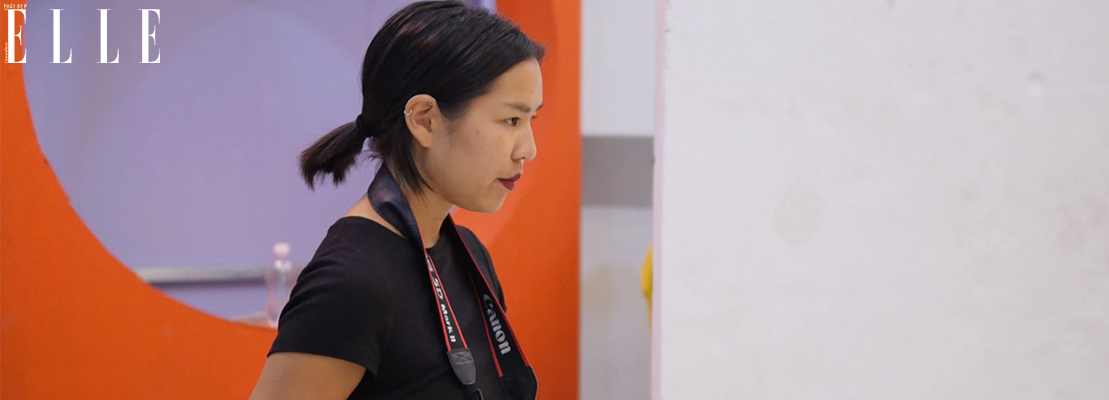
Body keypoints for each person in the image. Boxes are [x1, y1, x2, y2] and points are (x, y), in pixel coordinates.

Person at [247, 2, 545, 399]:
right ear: (424, 120)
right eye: (511, 120)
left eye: (531, 120)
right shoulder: (352, 282)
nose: (528, 149)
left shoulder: (467, 254)